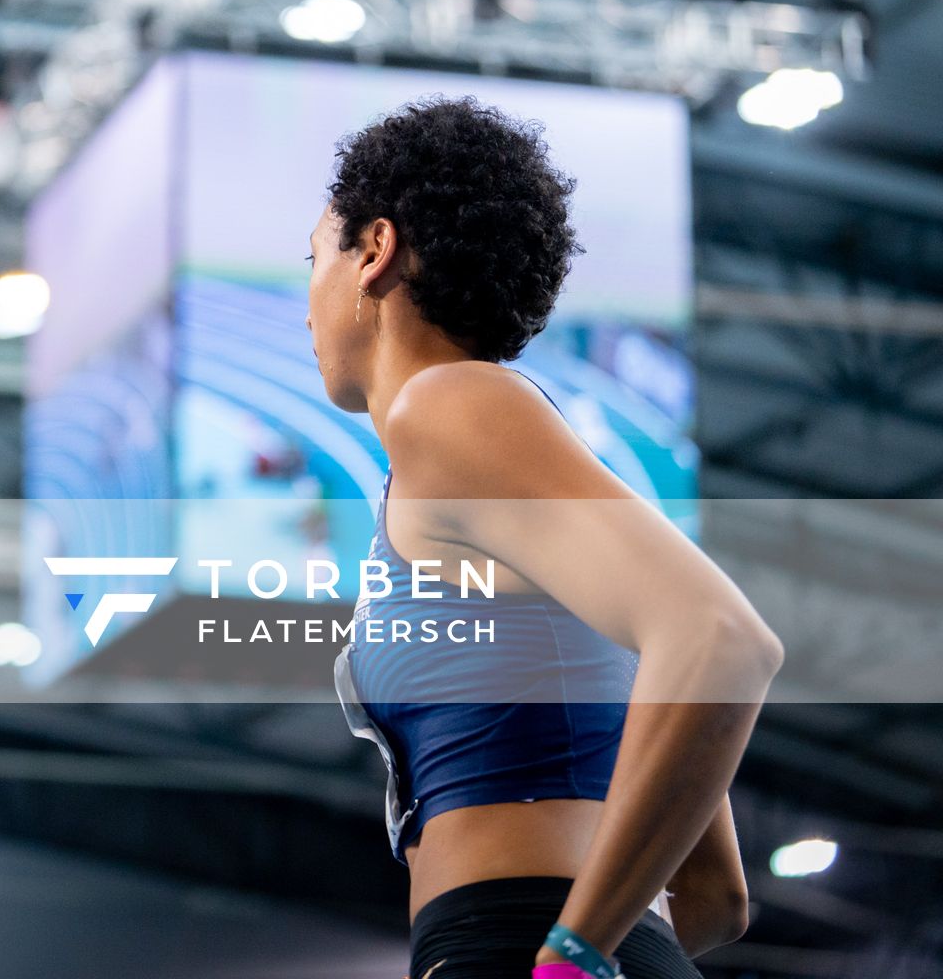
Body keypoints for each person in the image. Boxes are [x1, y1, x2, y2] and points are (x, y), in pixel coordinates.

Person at [308, 98, 783, 979]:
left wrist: (571, 953)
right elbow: (716, 895)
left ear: (373, 252)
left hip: (512, 942)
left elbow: (724, 638)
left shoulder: (447, 405)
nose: (307, 305)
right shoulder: (528, 485)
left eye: (314, 258)